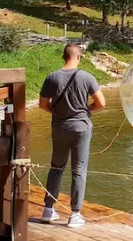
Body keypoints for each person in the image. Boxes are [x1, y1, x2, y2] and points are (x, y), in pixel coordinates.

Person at [39, 44, 106, 227]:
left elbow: (43, 104)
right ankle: (74, 215)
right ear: (79, 57)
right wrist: (86, 109)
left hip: (59, 128)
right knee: (79, 170)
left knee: (56, 167)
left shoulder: (52, 77)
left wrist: (57, 112)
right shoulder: (86, 77)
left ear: (63, 57)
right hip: (81, 128)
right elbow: (101, 103)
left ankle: (48, 210)